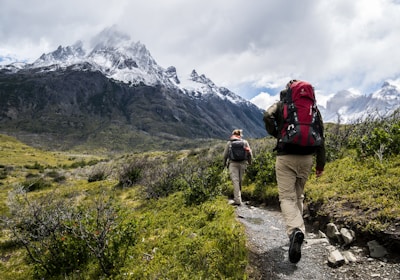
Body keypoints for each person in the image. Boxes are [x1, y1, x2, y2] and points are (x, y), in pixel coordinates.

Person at [263, 80, 326, 263]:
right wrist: (320, 165)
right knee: (298, 196)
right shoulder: (313, 109)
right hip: (307, 158)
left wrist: (277, 133)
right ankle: (299, 231)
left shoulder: (282, 105)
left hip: (286, 156)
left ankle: (295, 231)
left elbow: (267, 115)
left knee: (287, 198)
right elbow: (321, 136)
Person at [223, 129, 252, 206]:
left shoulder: (229, 143)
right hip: (243, 163)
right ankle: (239, 198)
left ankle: (237, 200)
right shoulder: (245, 142)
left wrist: (224, 164)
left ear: (233, 134)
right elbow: (250, 153)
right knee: (240, 180)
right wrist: (250, 163)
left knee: (235, 181)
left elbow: (225, 155)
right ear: (240, 135)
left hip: (233, 164)